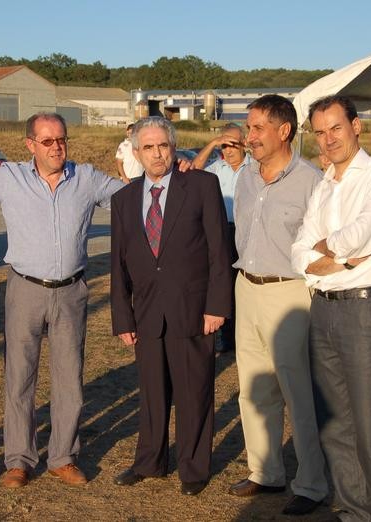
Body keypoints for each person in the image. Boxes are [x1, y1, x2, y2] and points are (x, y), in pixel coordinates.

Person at [0, 112, 125, 489]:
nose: (57, 147)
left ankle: (62, 456)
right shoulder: (7, 178)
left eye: (62, 139)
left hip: (71, 291)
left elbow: (134, 196)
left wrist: (175, 172)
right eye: (48, 141)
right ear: (30, 145)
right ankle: (19, 460)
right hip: (25, 288)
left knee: (69, 377)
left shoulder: (86, 178)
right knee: (19, 377)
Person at [292, 95, 371, 522]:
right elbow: (298, 251)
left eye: (335, 128)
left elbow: (365, 232)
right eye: (320, 132)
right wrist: (336, 257)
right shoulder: (324, 185)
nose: (328, 139)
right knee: (335, 425)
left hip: (364, 312)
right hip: (322, 309)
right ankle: (356, 513)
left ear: (356, 126)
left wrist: (331, 251)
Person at [110, 116, 231, 496]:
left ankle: (193, 469)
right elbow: (118, 265)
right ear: (135, 153)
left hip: (193, 309)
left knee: (194, 392)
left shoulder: (201, 185)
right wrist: (122, 316)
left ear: (173, 146)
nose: (157, 153)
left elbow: (218, 250)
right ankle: (149, 461)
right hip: (146, 313)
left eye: (163, 145)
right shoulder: (123, 199)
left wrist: (217, 306)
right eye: (148, 147)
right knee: (151, 392)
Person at [226, 95, 327, 516]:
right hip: (246, 287)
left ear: (284, 131)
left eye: (257, 129)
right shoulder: (246, 177)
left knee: (297, 390)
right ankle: (265, 472)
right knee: (253, 389)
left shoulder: (312, 181)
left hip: (289, 292)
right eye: (248, 129)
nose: (249, 138)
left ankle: (311, 484)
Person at [193, 122, 253, 353]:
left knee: (244, 286)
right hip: (221, 233)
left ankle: (244, 337)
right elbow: (194, 172)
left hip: (247, 232)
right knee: (223, 285)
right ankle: (228, 340)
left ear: (243, 144)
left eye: (232, 145)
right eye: (223, 146)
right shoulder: (217, 168)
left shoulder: (254, 167)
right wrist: (211, 145)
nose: (228, 151)